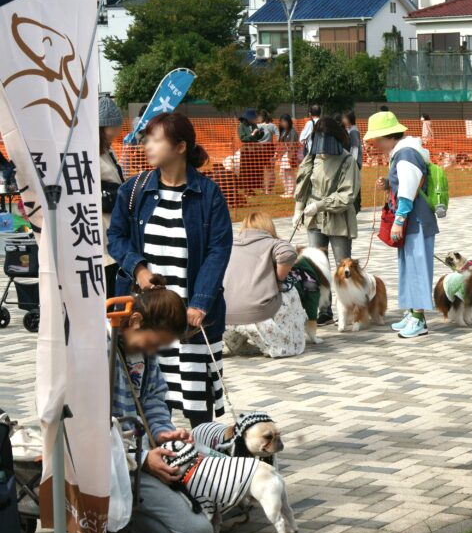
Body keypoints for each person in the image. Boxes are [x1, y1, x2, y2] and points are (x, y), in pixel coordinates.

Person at [108, 112, 233, 426]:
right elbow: (116, 237)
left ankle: (203, 463)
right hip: (145, 314)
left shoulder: (208, 195)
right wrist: (137, 269)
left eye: (155, 138)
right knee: (146, 398)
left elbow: (219, 250)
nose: (147, 145)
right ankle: (157, 464)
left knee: (195, 401)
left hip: (189, 317)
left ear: (179, 147)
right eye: (146, 137)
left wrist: (200, 303)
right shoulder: (134, 190)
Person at [112, 278, 215, 533]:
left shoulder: (142, 352)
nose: (154, 351)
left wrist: (162, 432)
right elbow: (91, 427)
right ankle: (120, 523)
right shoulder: (100, 352)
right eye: (154, 342)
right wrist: (144, 460)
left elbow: (154, 400)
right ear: (135, 321)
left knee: (214, 461)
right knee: (198, 532)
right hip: (117, 464)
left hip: (141, 452)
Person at [365, 111, 438, 339]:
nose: (374, 144)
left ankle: (419, 319)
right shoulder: (403, 153)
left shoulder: (406, 154)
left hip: (415, 221)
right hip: (412, 221)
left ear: (387, 136)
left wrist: (398, 221)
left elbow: (407, 191)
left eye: (376, 139)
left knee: (418, 269)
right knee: (409, 267)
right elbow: (405, 184)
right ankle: (411, 312)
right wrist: (388, 184)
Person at [293, 117, 360, 325]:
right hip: (314, 217)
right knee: (317, 265)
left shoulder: (347, 160)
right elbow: (303, 184)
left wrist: (320, 205)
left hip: (338, 216)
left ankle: (347, 309)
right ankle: (324, 309)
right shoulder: (312, 157)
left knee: (343, 265)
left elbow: (347, 195)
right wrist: (298, 209)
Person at [223, 212, 306, 358]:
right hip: (257, 313)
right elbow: (288, 253)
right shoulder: (273, 243)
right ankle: (288, 341)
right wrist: (279, 277)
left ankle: (236, 342)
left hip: (226, 315)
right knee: (290, 292)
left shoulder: (229, 244)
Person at [99, 95, 125, 298]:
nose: (118, 130)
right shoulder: (90, 152)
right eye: (115, 125)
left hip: (114, 221)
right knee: (107, 283)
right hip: (100, 224)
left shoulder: (108, 150)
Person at [236, 109, 265, 193]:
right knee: (246, 171)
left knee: (255, 170)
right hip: (246, 151)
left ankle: (253, 188)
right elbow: (243, 138)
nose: (254, 119)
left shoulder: (254, 125)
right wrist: (252, 135)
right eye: (253, 118)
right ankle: (246, 189)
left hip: (255, 150)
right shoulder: (241, 126)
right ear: (248, 118)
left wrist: (261, 133)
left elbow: (257, 138)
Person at [255, 109, 279, 194]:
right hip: (269, 149)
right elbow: (278, 136)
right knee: (270, 170)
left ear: (261, 117)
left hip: (259, 149)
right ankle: (268, 189)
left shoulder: (257, 126)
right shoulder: (272, 125)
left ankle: (263, 188)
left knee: (261, 170)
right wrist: (277, 149)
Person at [278, 114, 300, 197]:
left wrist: (291, 156)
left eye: (284, 122)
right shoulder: (284, 131)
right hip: (285, 154)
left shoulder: (292, 131)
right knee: (282, 173)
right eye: (281, 122)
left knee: (289, 173)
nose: (282, 123)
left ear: (288, 122)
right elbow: (282, 143)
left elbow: (293, 145)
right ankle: (287, 190)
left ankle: (290, 191)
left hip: (290, 154)